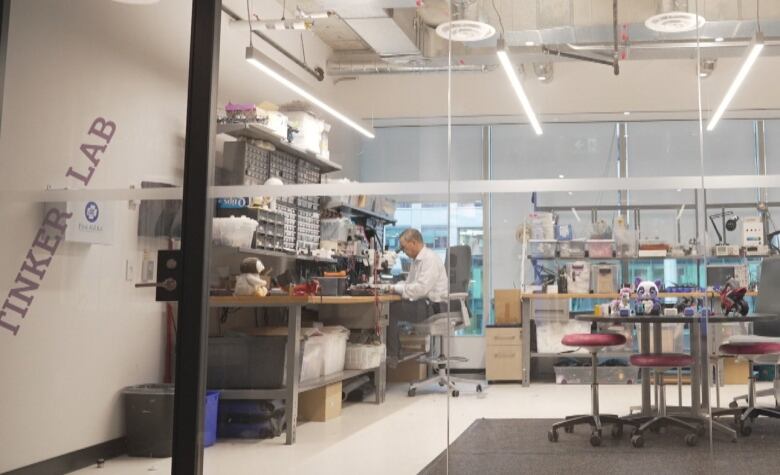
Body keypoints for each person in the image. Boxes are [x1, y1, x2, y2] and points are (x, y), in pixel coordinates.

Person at [384, 228, 449, 361]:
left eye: (404, 247)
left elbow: (420, 289)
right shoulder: (417, 261)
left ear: (413, 243)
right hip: (425, 304)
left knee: (390, 310)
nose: (403, 250)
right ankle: (396, 351)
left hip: (435, 308)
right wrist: (392, 287)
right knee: (392, 306)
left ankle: (392, 355)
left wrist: (396, 288)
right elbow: (410, 284)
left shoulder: (429, 259)